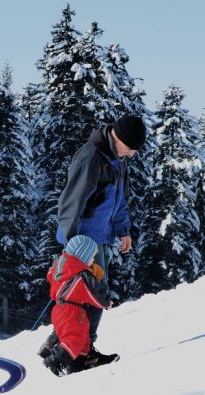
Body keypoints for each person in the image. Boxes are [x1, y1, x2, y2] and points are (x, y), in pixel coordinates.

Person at [39, 114, 146, 363]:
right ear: (119, 138)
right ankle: (82, 353)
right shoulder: (91, 159)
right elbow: (71, 202)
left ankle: (59, 342)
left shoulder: (116, 159)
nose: (132, 154)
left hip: (98, 237)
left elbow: (118, 200)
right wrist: (72, 245)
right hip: (83, 241)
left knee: (83, 294)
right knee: (96, 294)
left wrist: (123, 230)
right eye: (131, 148)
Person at [42, 235, 113, 376]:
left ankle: (77, 365)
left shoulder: (62, 268)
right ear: (83, 255)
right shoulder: (80, 275)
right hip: (71, 311)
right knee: (74, 338)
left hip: (61, 309)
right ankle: (54, 361)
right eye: (92, 257)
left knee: (83, 339)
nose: (93, 260)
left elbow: (50, 274)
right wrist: (106, 302)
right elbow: (93, 293)